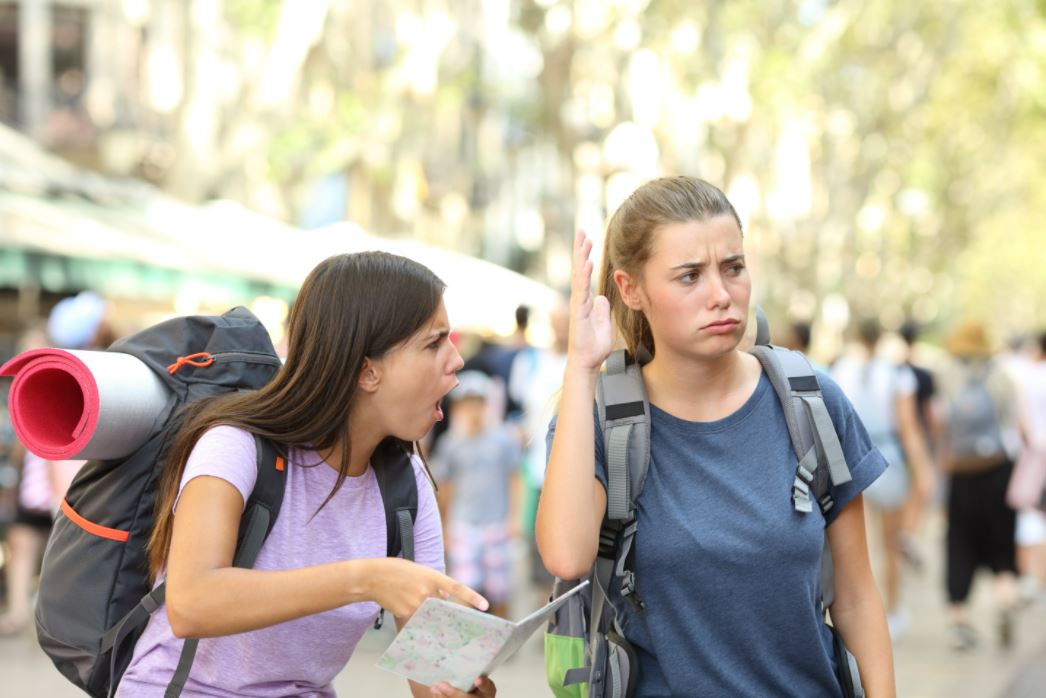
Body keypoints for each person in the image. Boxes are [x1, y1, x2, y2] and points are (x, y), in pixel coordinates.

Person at [536, 176, 895, 696]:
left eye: (733, 268)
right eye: (689, 277)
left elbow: (858, 597)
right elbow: (566, 557)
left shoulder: (812, 403)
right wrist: (580, 368)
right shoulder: (598, 421)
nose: (721, 295)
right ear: (631, 289)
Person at [117, 253, 495, 697]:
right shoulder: (235, 447)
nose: (456, 361)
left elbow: (431, 680)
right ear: (366, 371)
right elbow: (191, 602)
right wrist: (368, 579)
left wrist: (462, 687)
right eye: (433, 344)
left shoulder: (407, 487)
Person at [0, 292, 111, 635]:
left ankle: (49, 618)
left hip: (64, 480)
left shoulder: (96, 373)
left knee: (56, 549)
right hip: (46, 480)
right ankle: (23, 613)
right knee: (25, 540)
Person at [831, 318, 933, 640]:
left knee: (854, 547)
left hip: (848, 460)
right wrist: (923, 466)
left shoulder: (840, 370)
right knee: (889, 545)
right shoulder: (896, 374)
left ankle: (856, 614)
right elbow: (907, 426)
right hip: (886, 458)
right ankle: (892, 611)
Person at [937, 321, 1021, 651]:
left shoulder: (948, 376)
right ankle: (1005, 599)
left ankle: (959, 620)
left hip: (962, 473)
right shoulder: (1002, 378)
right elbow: (1012, 423)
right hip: (998, 470)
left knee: (959, 542)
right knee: (1002, 543)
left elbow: (941, 425)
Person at [431, 371, 522, 619]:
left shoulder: (503, 440)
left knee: (499, 587)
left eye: (477, 403)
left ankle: (503, 635)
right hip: (464, 523)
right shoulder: (451, 443)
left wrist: (515, 518)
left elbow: (514, 479)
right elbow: (445, 487)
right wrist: (444, 525)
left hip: (496, 522)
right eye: (466, 403)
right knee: (465, 586)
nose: (472, 409)